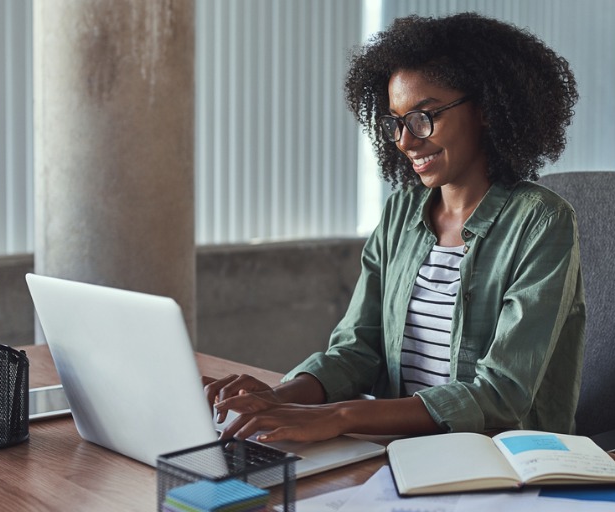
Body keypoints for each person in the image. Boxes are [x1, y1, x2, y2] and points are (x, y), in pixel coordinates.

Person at [205, 12, 584, 444]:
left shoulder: (542, 222)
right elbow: (358, 349)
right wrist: (279, 396)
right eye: (395, 122)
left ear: (486, 110)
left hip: (501, 462)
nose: (405, 140)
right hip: (398, 452)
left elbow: (501, 395)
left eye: (424, 117)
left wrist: (343, 415)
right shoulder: (401, 214)